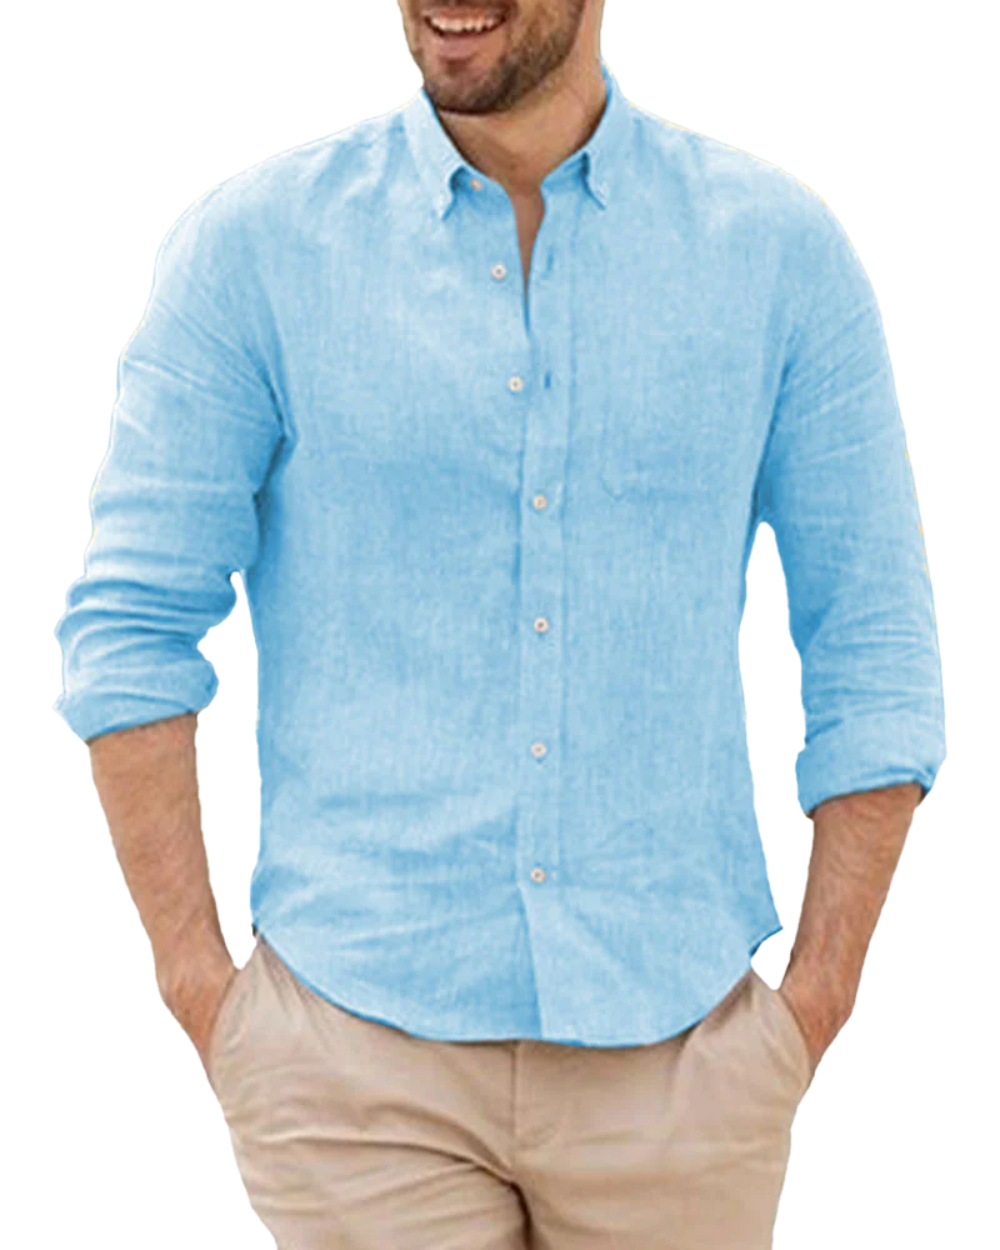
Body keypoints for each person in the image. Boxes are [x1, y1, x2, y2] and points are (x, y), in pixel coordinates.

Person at [53, 2, 946, 1246]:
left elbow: (873, 640)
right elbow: (130, 625)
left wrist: (813, 1003)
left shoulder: (777, 255)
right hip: (354, 1058)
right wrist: (206, 993)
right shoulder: (254, 250)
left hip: (683, 1061)